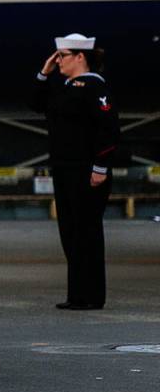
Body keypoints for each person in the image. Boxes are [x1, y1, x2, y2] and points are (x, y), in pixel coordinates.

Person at [30, 33, 119, 310]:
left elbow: (108, 129)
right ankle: (78, 294)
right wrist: (44, 74)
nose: (58, 62)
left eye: (63, 56)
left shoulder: (94, 87)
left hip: (87, 171)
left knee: (86, 234)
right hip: (65, 169)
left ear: (80, 57)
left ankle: (91, 295)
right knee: (70, 233)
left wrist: (100, 167)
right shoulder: (66, 87)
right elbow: (35, 104)